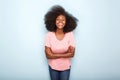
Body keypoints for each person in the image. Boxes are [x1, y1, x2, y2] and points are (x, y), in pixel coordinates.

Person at [44, 5, 78, 80]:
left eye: (63, 20)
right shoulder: (49, 35)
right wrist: (65, 54)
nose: (60, 22)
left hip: (65, 67)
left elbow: (72, 54)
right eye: (58, 19)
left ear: (66, 22)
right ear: (54, 21)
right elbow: (48, 55)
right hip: (53, 66)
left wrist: (53, 54)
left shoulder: (70, 34)